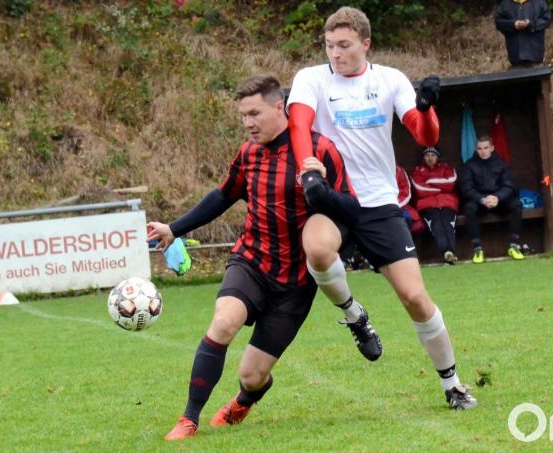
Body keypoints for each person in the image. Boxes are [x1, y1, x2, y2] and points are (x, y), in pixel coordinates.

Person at [147, 75, 359, 440]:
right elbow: (222, 196)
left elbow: (351, 209)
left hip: (295, 282)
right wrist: (174, 228)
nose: (248, 123)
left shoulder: (320, 150)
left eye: (254, 114)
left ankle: (244, 400)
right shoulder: (248, 153)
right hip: (251, 261)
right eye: (243, 115)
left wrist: (323, 193)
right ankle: (189, 419)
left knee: (252, 375)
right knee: (224, 321)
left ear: (279, 107)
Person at [287, 6, 477, 410]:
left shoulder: (390, 79)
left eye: (344, 45)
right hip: (334, 198)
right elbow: (299, 125)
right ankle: (355, 315)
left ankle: (453, 385)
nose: (335, 53)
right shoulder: (311, 78)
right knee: (317, 250)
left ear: (366, 43)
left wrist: (426, 108)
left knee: (415, 297)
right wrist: (309, 170)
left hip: (379, 204)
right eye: (329, 45)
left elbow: (425, 135)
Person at [460, 135, 525, 264]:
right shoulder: (469, 165)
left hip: (499, 201)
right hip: (480, 202)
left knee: (516, 205)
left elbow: (509, 186)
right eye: (479, 148)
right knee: (469, 208)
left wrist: (498, 197)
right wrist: (481, 199)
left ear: (492, 148)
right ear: (476, 149)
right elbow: (466, 188)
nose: (483, 151)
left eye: (486, 148)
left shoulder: (502, 163)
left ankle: (514, 245)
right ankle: (477, 249)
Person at [411, 146, 459, 265]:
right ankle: (446, 252)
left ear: (437, 157)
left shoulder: (446, 168)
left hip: (448, 202)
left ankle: (451, 252)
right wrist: (441, 187)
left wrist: (429, 182)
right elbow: (420, 189)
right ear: (423, 157)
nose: (430, 158)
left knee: (448, 224)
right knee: (436, 225)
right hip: (427, 205)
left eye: (433, 155)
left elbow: (451, 183)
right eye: (427, 155)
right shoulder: (417, 171)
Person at [494, 0, 552, 68]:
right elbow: (499, 22)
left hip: (535, 55)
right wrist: (513, 24)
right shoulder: (505, 3)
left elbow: (547, 20)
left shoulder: (539, 2)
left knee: (538, 73)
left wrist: (531, 24)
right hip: (516, 57)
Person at [396, 165, 425, 234]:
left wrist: (395, 204)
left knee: (407, 218)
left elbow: (405, 192)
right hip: (380, 206)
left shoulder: (398, 170)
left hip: (399, 204)